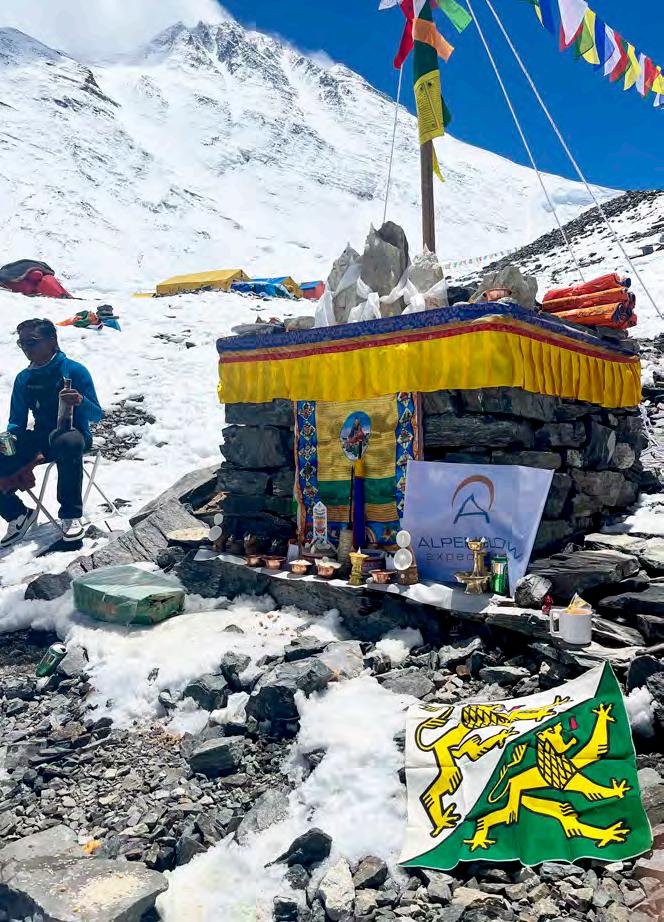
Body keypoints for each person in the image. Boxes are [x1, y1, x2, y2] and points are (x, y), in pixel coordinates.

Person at [0, 318, 103, 548]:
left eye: (32, 342)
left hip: (75, 433)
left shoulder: (74, 370)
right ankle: (17, 514)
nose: (26, 349)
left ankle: (70, 515)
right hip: (41, 437)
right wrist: (11, 438)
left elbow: (97, 415)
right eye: (21, 343)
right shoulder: (24, 378)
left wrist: (80, 401)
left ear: (52, 341)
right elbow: (16, 422)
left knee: (67, 442)